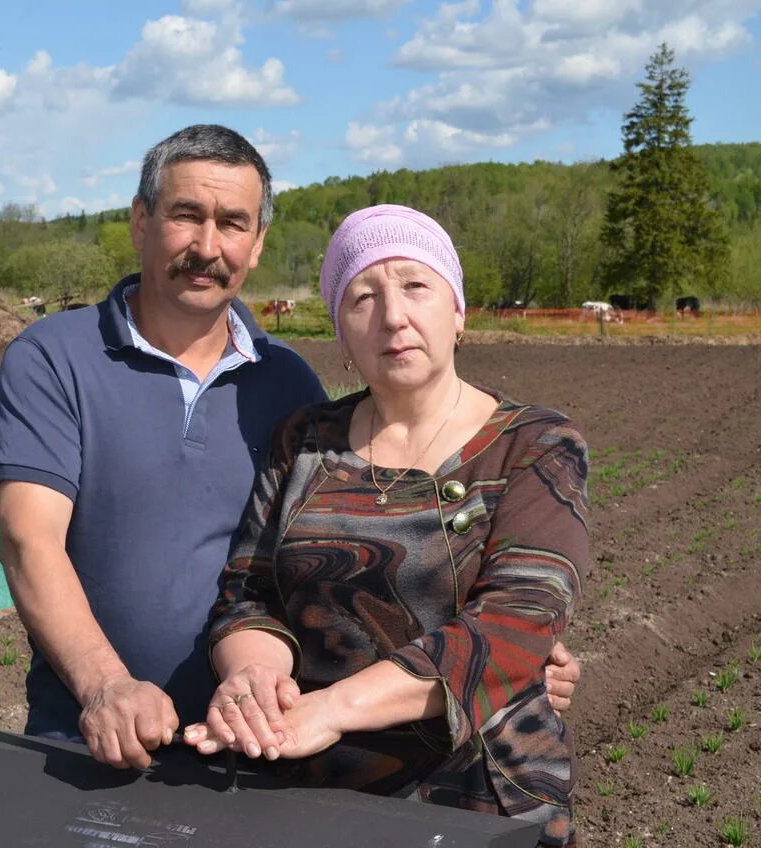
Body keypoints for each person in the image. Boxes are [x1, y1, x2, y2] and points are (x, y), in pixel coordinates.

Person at [0, 125, 581, 773]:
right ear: (140, 221)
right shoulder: (56, 357)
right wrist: (107, 683)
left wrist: (506, 656)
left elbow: (366, 574)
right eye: (186, 215)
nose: (207, 246)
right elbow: (29, 540)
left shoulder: (287, 383)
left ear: (258, 242)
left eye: (233, 223)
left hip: (271, 751)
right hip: (104, 727)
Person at [182, 204, 588, 846]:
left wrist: (330, 709)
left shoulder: (532, 444)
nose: (393, 316)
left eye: (415, 286)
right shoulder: (305, 440)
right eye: (362, 296)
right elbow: (248, 594)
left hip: (482, 795)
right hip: (312, 787)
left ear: (457, 310)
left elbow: (518, 620)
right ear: (341, 333)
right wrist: (253, 680)